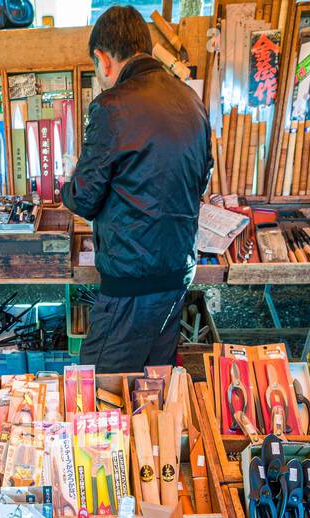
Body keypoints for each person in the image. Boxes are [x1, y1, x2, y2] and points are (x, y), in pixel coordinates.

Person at [62, 5, 212, 373]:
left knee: (99, 389)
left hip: (130, 283)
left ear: (103, 58)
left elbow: (84, 197)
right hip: (177, 275)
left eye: (97, 69)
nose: (100, 77)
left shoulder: (111, 107)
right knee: (153, 383)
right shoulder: (192, 101)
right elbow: (200, 181)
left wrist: (68, 182)